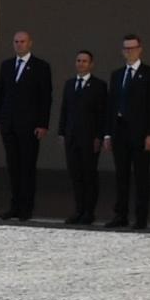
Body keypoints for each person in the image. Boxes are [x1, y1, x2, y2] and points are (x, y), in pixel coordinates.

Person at [0, 30, 51, 221]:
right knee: (13, 167)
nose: (19, 44)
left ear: (30, 43)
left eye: (22, 41)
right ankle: (14, 206)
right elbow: (1, 94)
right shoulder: (7, 65)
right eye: (16, 41)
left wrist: (43, 124)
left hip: (30, 125)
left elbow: (45, 97)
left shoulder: (41, 67)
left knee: (27, 166)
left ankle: (27, 207)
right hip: (9, 124)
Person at [108, 33, 150, 230]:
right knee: (121, 176)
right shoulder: (117, 75)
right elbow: (111, 105)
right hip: (119, 131)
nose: (129, 52)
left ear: (140, 49)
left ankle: (140, 218)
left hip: (140, 132)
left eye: (132, 48)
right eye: (126, 49)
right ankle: (120, 214)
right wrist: (108, 133)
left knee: (141, 176)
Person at [59, 50, 109, 226]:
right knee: (75, 175)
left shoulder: (99, 86)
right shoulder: (69, 84)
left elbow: (103, 113)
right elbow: (64, 110)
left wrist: (99, 136)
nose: (81, 64)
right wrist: (62, 132)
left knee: (89, 175)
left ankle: (89, 212)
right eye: (78, 60)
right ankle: (78, 210)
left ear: (91, 64)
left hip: (90, 137)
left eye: (85, 61)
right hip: (72, 136)